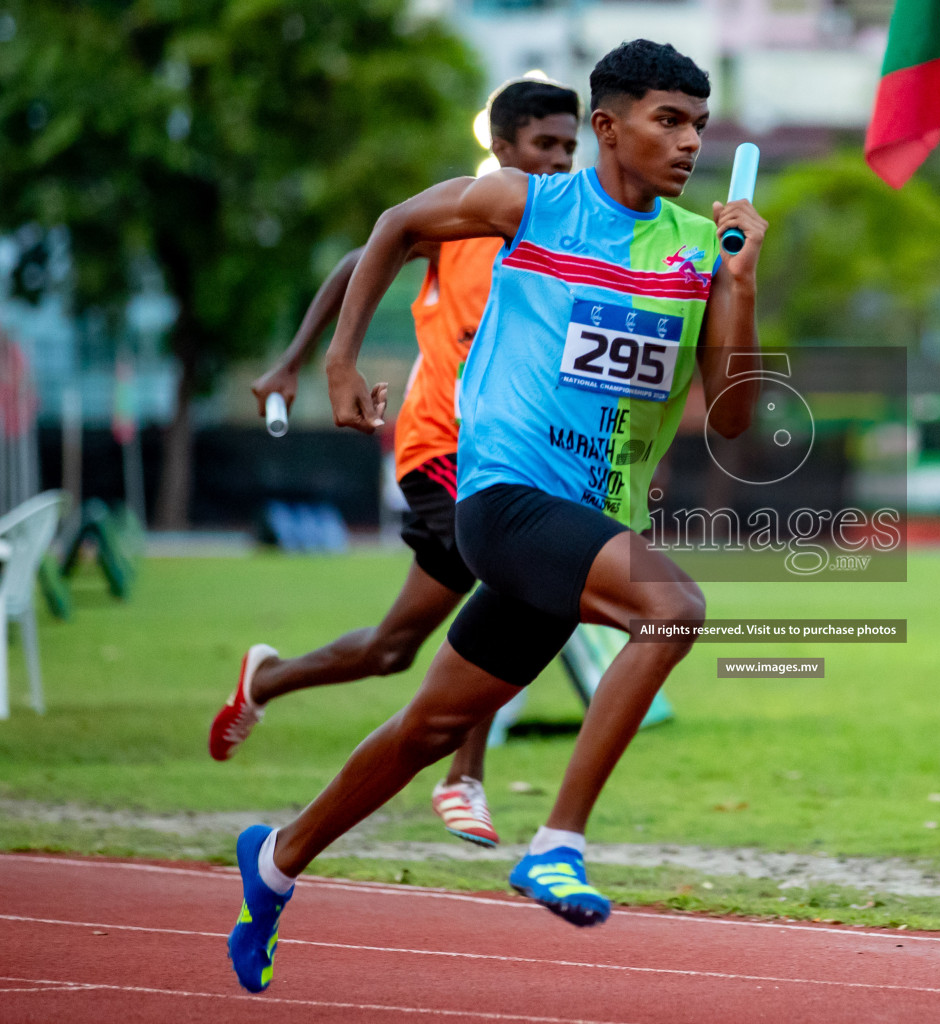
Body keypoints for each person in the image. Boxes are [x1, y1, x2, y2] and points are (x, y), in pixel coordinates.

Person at [226, 39, 767, 993]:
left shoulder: (696, 248)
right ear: (608, 126)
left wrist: (741, 284)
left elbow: (730, 420)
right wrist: (341, 363)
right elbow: (393, 225)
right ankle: (558, 842)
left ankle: (275, 861)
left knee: (429, 728)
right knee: (673, 610)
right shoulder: (533, 203)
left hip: (585, 521)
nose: (688, 142)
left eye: (698, 126)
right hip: (507, 497)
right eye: (667, 121)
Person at [209, 78, 581, 850]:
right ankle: (464, 776)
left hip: (517, 454)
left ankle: (266, 679)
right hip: (441, 446)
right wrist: (301, 362)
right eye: (545, 144)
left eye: (569, 147)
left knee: (393, 649)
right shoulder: (475, 215)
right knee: (516, 578)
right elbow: (359, 258)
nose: (558, 160)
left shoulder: (567, 235)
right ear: (502, 147)